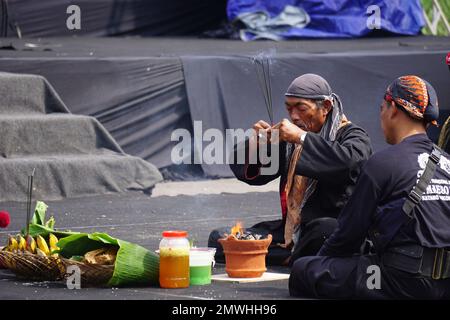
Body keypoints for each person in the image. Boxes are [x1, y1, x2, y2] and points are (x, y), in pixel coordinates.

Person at [290, 75, 450, 299]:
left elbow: (347, 237)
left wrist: (322, 262)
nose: (381, 115)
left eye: (382, 108)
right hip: (445, 284)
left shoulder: (384, 162)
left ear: (393, 108)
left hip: (399, 279)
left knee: (304, 271)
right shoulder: (446, 162)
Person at [208, 73, 372, 265]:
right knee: (221, 238)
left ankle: (289, 256)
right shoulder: (289, 139)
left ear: (325, 107)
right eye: (289, 109)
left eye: (301, 109)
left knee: (325, 231)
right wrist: (258, 141)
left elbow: (350, 163)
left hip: (331, 232)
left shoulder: (353, 135)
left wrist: (302, 138)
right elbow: (251, 173)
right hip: (292, 231)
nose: (294, 116)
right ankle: (294, 256)